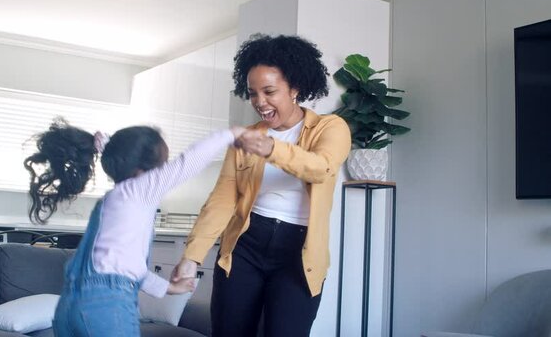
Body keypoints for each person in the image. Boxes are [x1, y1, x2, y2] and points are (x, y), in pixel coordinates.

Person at [171, 34, 352, 337]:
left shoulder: (330, 127)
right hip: (245, 245)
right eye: (253, 93)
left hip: (299, 252)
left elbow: (321, 168)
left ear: (295, 88)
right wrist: (191, 258)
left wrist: (271, 149)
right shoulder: (247, 137)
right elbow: (222, 199)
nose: (259, 102)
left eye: (269, 91)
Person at [24, 119, 245, 337]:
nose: (165, 171)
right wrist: (231, 134)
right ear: (145, 169)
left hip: (69, 307)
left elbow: (129, 269)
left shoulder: (113, 201)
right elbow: (188, 162)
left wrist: (168, 288)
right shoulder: (141, 189)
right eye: (164, 164)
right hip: (106, 307)